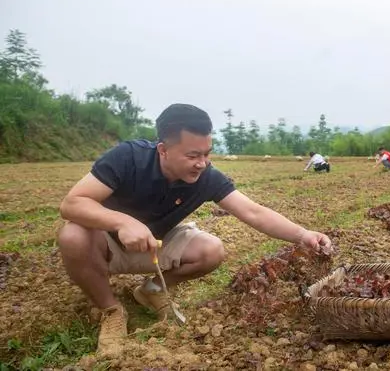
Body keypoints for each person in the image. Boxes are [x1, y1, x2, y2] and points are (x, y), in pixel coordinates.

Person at [57, 103, 333, 355]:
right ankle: (111, 309)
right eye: (192, 155)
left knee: (211, 250)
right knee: (73, 235)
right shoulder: (128, 158)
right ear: (163, 149)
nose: (202, 163)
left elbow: (253, 211)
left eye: (206, 154)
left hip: (156, 244)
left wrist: (303, 234)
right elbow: (72, 203)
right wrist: (122, 221)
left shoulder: (205, 176)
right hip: (107, 244)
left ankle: (152, 290)